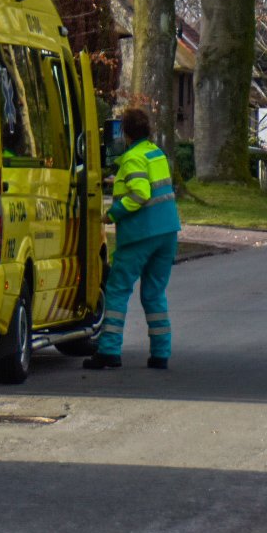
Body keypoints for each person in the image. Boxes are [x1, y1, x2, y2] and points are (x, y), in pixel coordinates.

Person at [85, 107, 181, 371]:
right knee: (154, 293)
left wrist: (112, 214)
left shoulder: (131, 158)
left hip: (141, 234)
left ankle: (109, 351)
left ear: (125, 133)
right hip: (167, 232)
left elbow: (139, 194)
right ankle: (161, 354)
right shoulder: (156, 153)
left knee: (117, 290)